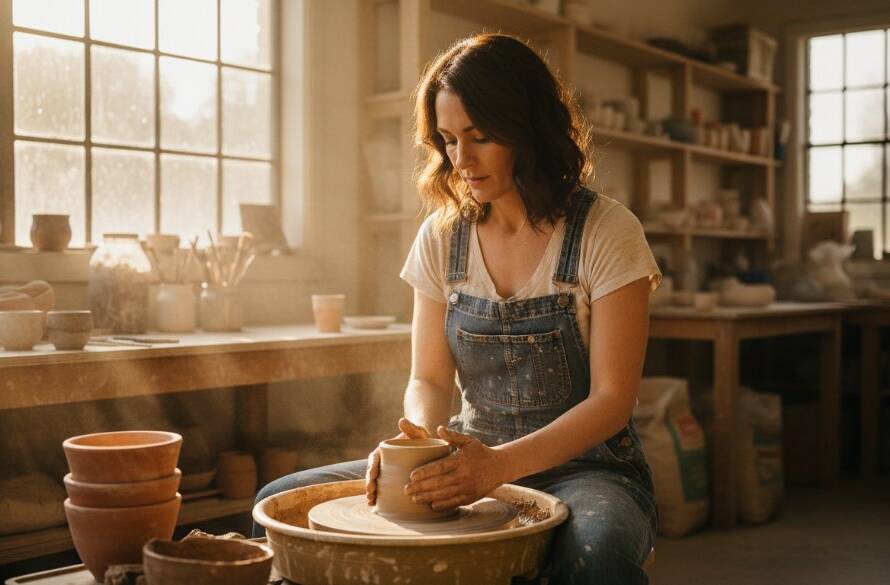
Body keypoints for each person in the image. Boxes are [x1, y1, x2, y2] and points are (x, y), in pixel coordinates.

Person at [255, 33, 661, 585]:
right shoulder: (443, 236)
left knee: (596, 557)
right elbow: (427, 378)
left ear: (529, 128)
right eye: (447, 139)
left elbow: (612, 401)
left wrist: (498, 468)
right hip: (468, 460)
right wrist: (415, 443)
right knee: (278, 502)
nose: (460, 160)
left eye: (480, 136)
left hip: (587, 471)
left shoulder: (607, 231)